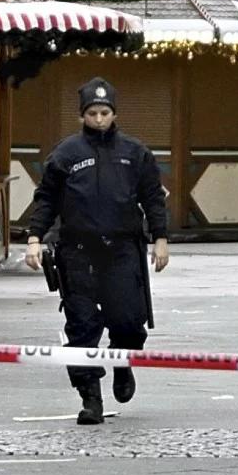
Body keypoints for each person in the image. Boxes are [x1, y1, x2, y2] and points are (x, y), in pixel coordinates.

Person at [25, 77, 169, 425]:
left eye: (105, 112)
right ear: (82, 116)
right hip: (77, 253)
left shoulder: (135, 153)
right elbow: (46, 199)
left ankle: (123, 362)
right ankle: (90, 396)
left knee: (129, 323)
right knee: (81, 327)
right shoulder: (66, 153)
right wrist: (34, 238)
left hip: (122, 250)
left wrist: (161, 238)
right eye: (93, 112)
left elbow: (152, 197)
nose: (99, 119)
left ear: (114, 113)